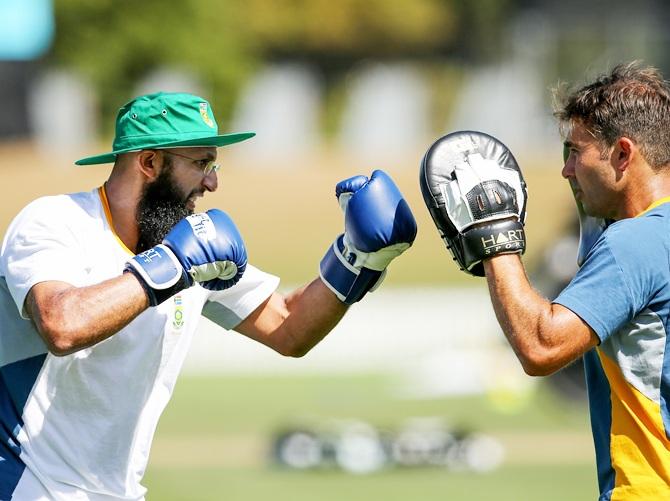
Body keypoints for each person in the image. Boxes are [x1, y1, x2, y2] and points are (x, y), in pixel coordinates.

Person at [0, 91, 417, 500]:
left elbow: (288, 328)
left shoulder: (179, 245)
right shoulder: (55, 221)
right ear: (149, 162)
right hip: (23, 483)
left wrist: (358, 261)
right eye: (201, 163)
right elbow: (62, 325)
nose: (213, 182)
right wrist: (170, 267)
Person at [421, 62, 670, 499]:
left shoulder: (636, 242)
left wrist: (495, 237)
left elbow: (542, 346)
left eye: (576, 152)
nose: (567, 171)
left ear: (623, 155)